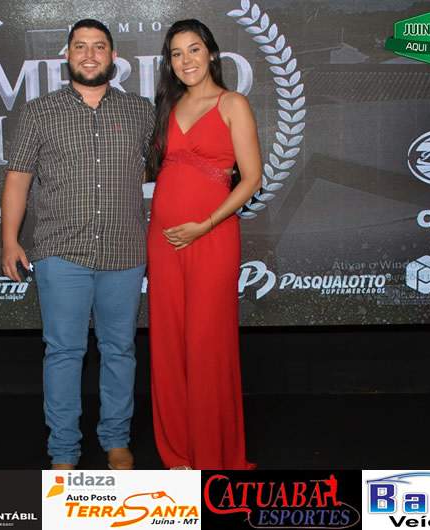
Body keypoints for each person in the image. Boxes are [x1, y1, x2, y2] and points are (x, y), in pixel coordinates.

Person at [1, 19, 154, 470]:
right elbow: (17, 180)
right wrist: (9, 241)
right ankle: (64, 450)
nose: (90, 55)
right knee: (64, 353)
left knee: (119, 351)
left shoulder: (141, 112)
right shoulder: (40, 112)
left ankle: (116, 440)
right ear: (67, 55)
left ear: (113, 55)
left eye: (99, 46)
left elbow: (167, 166)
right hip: (60, 253)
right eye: (81, 46)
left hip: (124, 252)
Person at [146, 19, 262, 470]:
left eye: (193, 49)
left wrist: (205, 224)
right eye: (176, 54)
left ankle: (213, 455)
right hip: (163, 242)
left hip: (212, 237)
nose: (186, 60)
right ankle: (179, 452)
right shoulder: (167, 106)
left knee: (207, 343)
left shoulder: (232, 103)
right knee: (170, 345)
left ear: (211, 53)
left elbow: (251, 179)